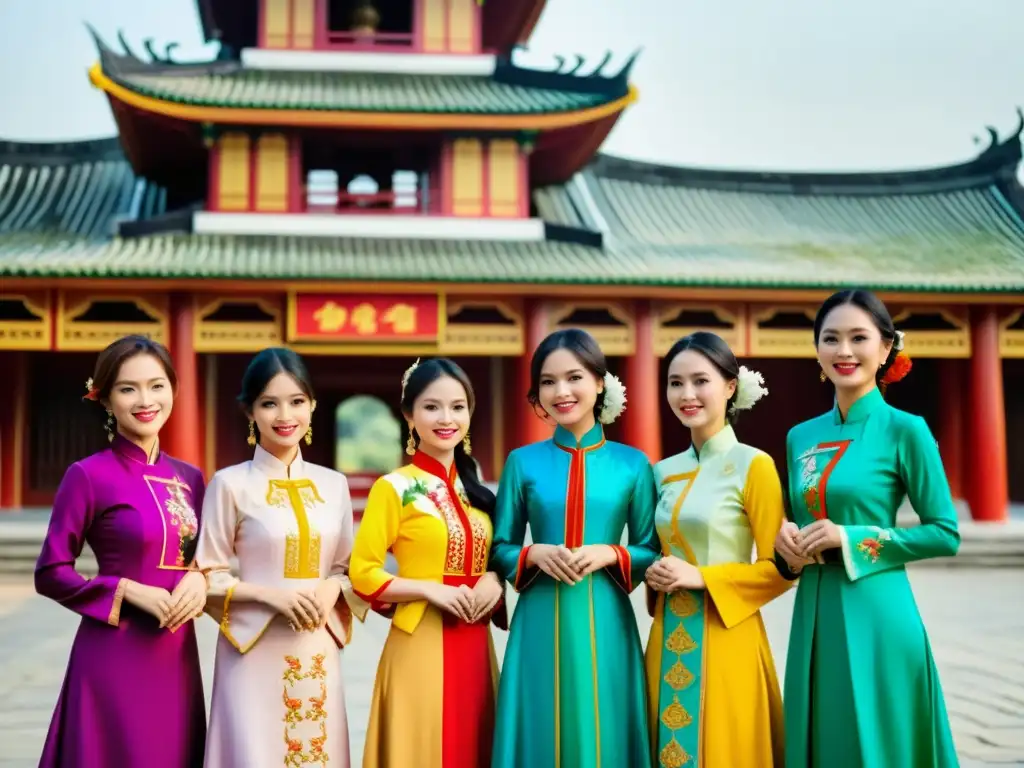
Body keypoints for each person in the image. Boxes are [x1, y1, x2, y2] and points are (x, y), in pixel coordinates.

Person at [774, 289, 960, 768]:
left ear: (885, 348)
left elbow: (944, 531)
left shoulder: (905, 430)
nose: (844, 351)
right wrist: (788, 548)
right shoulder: (801, 436)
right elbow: (799, 517)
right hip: (813, 608)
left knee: (878, 743)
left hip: (876, 609)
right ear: (817, 350)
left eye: (859, 338)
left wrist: (851, 538)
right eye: (831, 338)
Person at [490, 328, 660, 768]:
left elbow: (650, 549)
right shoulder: (521, 462)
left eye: (574, 377)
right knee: (540, 720)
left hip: (606, 613)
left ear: (600, 382)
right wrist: (533, 555)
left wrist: (611, 554)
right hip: (539, 617)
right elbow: (501, 546)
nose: (561, 392)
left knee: (605, 721)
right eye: (548, 382)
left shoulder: (633, 464)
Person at [35, 335, 207, 767]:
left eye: (156, 385)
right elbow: (51, 571)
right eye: (128, 389)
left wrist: (202, 578)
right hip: (113, 653)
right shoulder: (88, 476)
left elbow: (207, 556)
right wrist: (125, 589)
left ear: (173, 390)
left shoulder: (192, 479)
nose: (145, 400)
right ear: (106, 399)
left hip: (175, 656)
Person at [195, 348, 355, 768]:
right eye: (269, 403)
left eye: (297, 401)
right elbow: (206, 575)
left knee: (314, 751)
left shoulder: (334, 485)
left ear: (313, 406)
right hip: (251, 647)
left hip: (315, 644)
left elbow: (349, 571)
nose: (285, 415)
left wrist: (330, 586)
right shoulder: (229, 485)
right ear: (250, 411)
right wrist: (272, 597)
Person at [350, 358, 506, 768]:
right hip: (420, 638)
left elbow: (496, 556)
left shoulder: (479, 492)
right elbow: (362, 571)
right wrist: (426, 588)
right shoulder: (394, 487)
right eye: (431, 407)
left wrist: (494, 578)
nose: (446, 418)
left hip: (475, 638)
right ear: (408, 415)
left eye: (458, 407)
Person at [645, 331, 791, 767]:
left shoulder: (754, 465)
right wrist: (654, 572)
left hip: (729, 635)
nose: (686, 394)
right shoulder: (663, 471)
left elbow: (781, 569)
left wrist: (702, 576)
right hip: (667, 633)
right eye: (675, 382)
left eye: (700, 381)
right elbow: (658, 548)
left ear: (730, 387)